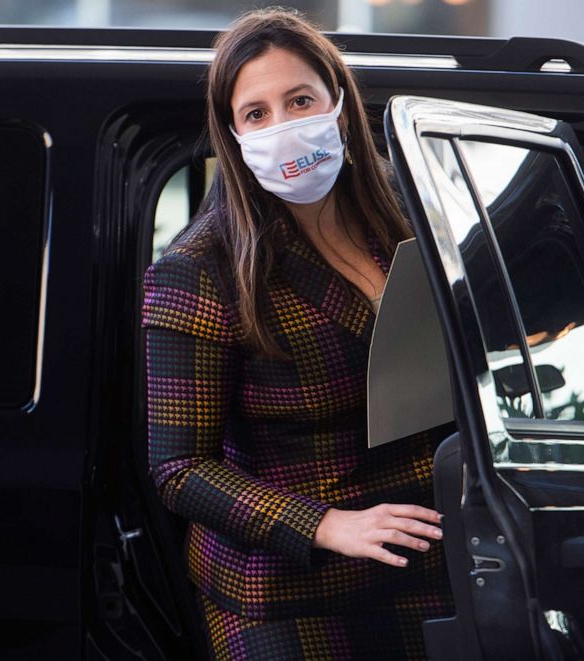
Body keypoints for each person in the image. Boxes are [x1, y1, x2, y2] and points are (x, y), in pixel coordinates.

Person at [141, 7, 454, 660]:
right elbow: (178, 469)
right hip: (285, 589)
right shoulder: (198, 267)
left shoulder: (403, 209)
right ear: (234, 133)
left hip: (420, 557)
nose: (283, 127)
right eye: (257, 113)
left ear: (337, 104)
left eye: (300, 99)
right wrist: (324, 524)